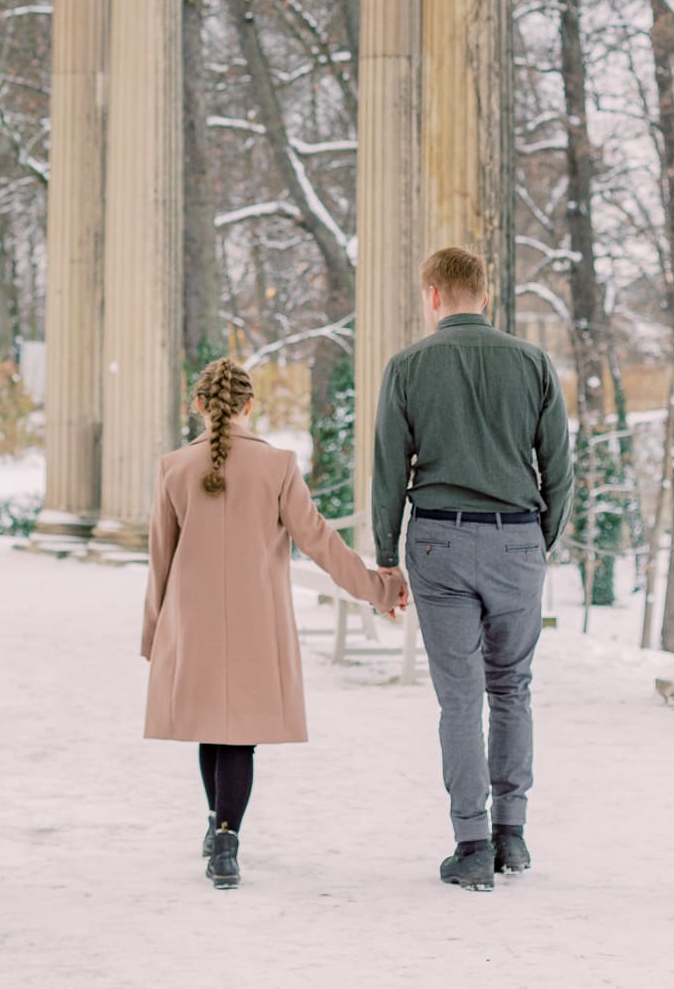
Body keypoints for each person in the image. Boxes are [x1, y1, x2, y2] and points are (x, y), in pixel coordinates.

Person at [141, 356, 408, 890]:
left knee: (209, 729)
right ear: (249, 406)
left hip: (191, 618)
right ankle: (226, 836)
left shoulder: (175, 467)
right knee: (239, 732)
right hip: (254, 619)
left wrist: (155, 636)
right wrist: (379, 590)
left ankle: (218, 829)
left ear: (198, 406)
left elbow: (159, 561)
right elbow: (322, 545)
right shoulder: (278, 465)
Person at [372, 245, 574, 893]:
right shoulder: (534, 362)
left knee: (459, 696)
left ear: (434, 294)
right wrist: (540, 540)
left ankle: (471, 841)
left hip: (438, 542)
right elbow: (560, 467)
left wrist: (384, 557)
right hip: (517, 537)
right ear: (484, 294)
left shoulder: (407, 367)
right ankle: (512, 832)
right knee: (511, 686)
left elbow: (387, 471)